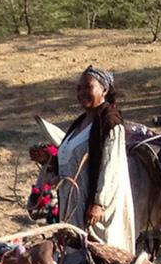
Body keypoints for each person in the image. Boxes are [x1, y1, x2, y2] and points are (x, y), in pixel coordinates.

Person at [55, 66, 137, 252]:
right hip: (73, 203)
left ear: (104, 90)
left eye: (88, 87)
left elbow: (112, 166)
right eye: (79, 88)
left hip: (96, 208)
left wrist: (99, 203)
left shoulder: (110, 122)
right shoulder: (80, 122)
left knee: (101, 254)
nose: (82, 92)